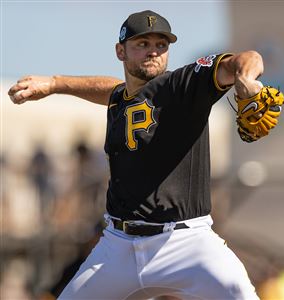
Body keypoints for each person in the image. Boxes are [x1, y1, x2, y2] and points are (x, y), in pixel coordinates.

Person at [9, 10, 265, 300]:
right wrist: (55, 84)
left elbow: (247, 58)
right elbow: (110, 89)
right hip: (117, 247)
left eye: (161, 45)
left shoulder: (184, 86)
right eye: (142, 44)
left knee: (240, 294)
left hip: (185, 242)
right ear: (121, 51)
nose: (153, 51)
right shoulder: (121, 99)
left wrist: (246, 78)